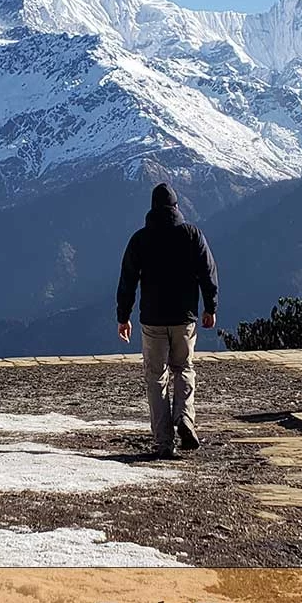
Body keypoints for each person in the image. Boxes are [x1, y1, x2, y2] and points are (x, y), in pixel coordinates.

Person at [116, 183, 219, 460]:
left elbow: (127, 281)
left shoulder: (140, 239)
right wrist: (210, 306)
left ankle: (164, 441)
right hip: (184, 318)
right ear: (176, 207)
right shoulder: (191, 234)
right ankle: (185, 418)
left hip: (152, 320)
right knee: (184, 368)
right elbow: (208, 272)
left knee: (155, 377)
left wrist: (123, 316)